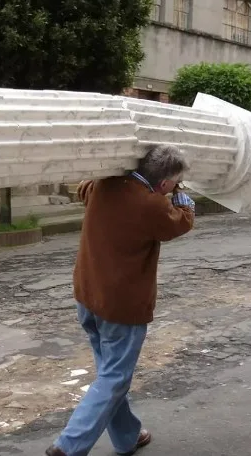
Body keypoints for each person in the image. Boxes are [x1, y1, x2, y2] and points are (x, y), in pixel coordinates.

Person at [46, 145, 196, 456]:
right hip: (121, 307)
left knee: (110, 373)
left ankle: (127, 436)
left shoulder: (105, 185)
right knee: (114, 377)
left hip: (87, 295)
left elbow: (83, 188)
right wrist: (184, 200)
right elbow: (179, 223)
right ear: (166, 183)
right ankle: (69, 446)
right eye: (175, 182)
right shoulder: (152, 205)